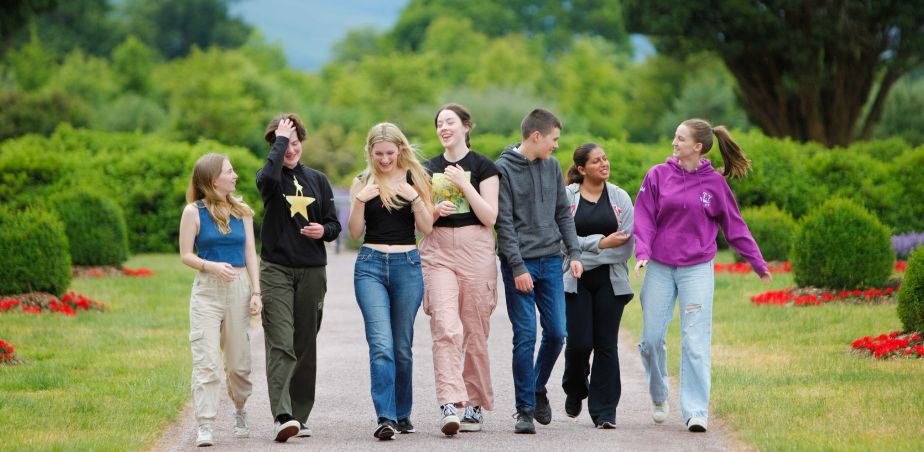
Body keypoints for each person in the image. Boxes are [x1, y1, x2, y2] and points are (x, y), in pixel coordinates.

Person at [633, 118, 772, 433]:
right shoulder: (658, 175)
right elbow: (643, 216)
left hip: (697, 268)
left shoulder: (715, 184)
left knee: (695, 341)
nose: (674, 142)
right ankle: (658, 394)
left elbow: (734, 226)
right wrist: (642, 253)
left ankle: (696, 411)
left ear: (698, 146)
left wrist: (757, 262)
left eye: (680, 138)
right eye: (675, 137)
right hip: (659, 266)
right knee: (651, 339)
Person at [495, 108, 583, 434]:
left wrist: (573, 252)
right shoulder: (502, 169)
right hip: (519, 264)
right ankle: (524, 409)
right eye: (554, 139)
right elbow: (503, 223)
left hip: (550, 260)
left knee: (558, 332)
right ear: (536, 136)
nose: (556, 146)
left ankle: (536, 387)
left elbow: (563, 213)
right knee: (526, 336)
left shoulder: (552, 166)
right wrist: (517, 266)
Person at [257, 114, 341, 442]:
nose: (289, 149)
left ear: (302, 143)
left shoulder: (318, 180)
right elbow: (266, 181)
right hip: (275, 269)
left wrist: (324, 231)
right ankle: (282, 415)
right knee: (280, 340)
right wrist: (279, 139)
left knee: (305, 343)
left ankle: (299, 416)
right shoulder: (270, 177)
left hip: (312, 270)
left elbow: (334, 225)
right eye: (282, 143)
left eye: (294, 142)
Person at [349, 122, 434, 440]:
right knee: (381, 345)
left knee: (402, 346)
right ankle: (385, 416)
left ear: (400, 149)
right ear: (369, 152)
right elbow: (355, 233)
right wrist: (360, 200)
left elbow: (427, 228)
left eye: (390, 152)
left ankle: (402, 413)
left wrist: (414, 199)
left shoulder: (416, 178)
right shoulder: (362, 181)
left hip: (407, 265)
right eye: (378, 153)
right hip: (370, 266)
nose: (384, 160)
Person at [419, 104, 500, 435]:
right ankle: (450, 403)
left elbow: (490, 217)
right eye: (439, 123)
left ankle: (475, 403)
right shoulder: (426, 168)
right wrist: (435, 210)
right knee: (445, 326)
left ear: (467, 126)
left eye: (450, 122)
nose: (444, 127)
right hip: (437, 248)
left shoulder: (484, 166)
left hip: (476, 247)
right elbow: (420, 223)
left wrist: (463, 184)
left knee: (474, 328)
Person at [178, 153, 263, 447]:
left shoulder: (243, 212)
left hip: (238, 288)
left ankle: (240, 408)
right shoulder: (193, 212)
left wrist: (256, 292)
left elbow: (251, 252)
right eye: (230, 171)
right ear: (215, 179)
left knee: (239, 364)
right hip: (207, 292)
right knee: (207, 363)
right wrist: (211, 266)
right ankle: (206, 424)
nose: (236, 175)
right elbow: (186, 254)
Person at [561, 143, 635, 429]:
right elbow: (560, 241)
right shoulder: (567, 197)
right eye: (596, 161)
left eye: (605, 158)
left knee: (606, 345)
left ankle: (605, 411)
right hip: (574, 280)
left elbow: (625, 246)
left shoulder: (620, 197)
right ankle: (575, 388)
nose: (604, 163)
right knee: (579, 344)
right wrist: (601, 243)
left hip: (610, 281)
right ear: (581, 169)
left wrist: (581, 255)